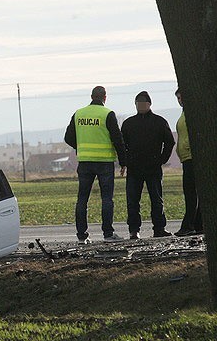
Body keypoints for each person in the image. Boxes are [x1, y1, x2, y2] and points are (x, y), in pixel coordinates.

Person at [64, 86, 127, 244]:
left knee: (82, 199)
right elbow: (117, 139)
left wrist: (81, 147)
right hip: (104, 162)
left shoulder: (78, 114)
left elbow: (68, 138)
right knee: (106, 199)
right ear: (105, 98)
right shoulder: (107, 114)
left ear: (91, 97)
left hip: (85, 162)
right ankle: (108, 234)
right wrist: (123, 161)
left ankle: (81, 236)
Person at [120, 91, 175, 239]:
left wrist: (162, 159)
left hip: (153, 167)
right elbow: (122, 144)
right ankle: (134, 230)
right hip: (134, 168)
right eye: (138, 103)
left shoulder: (159, 121)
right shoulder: (128, 123)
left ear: (149, 104)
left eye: (143, 103)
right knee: (132, 201)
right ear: (135, 105)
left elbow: (169, 142)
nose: (141, 105)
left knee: (156, 199)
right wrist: (125, 161)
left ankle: (159, 228)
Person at [173, 88, 202, 236]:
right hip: (186, 158)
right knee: (191, 192)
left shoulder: (193, 112)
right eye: (177, 98)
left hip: (193, 157)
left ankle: (188, 225)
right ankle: (198, 224)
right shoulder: (183, 114)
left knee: (191, 192)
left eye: (181, 97)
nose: (179, 100)